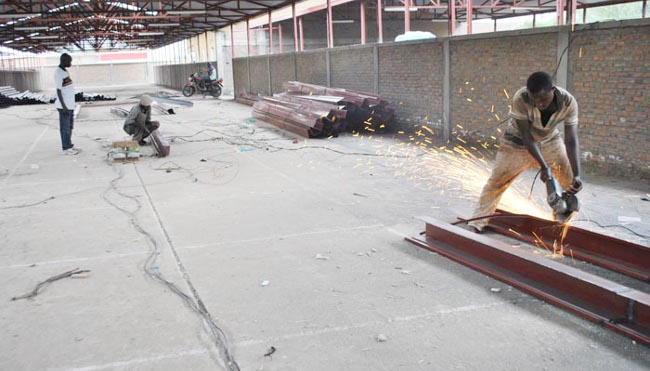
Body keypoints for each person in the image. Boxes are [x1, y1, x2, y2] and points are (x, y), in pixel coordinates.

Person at [468, 71, 583, 232]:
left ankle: (559, 227)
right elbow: (527, 137)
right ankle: (477, 222)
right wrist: (544, 166)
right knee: (497, 182)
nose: (540, 104)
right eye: (535, 100)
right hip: (516, 142)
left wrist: (577, 174)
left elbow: (571, 140)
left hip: (550, 140)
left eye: (543, 99)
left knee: (570, 181)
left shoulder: (568, 102)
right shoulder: (521, 98)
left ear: (553, 90)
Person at [54, 53, 79, 155]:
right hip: (64, 106)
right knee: (65, 128)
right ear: (63, 61)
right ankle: (66, 147)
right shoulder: (58, 73)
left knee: (69, 127)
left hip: (70, 105)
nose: (70, 63)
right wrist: (64, 106)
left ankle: (69, 145)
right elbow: (58, 90)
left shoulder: (65, 72)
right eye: (69, 61)